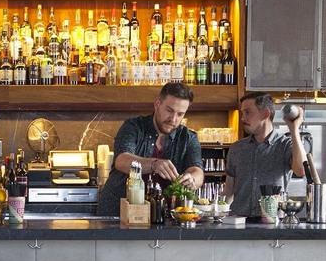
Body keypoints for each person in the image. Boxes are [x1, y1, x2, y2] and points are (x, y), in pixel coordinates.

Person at [96, 82, 204, 217]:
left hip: (163, 215)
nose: (173, 119)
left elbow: (197, 170)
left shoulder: (189, 138)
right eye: (169, 111)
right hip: (118, 213)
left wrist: (192, 179)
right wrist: (154, 164)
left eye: (180, 114)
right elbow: (122, 160)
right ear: (157, 104)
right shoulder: (133, 127)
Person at [222, 92, 307, 217]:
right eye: (242, 113)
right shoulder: (236, 148)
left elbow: (301, 170)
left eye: (247, 112)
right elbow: (229, 190)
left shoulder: (285, 145)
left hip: (272, 224)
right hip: (238, 222)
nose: (242, 118)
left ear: (265, 113)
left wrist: (294, 129)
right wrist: (219, 215)